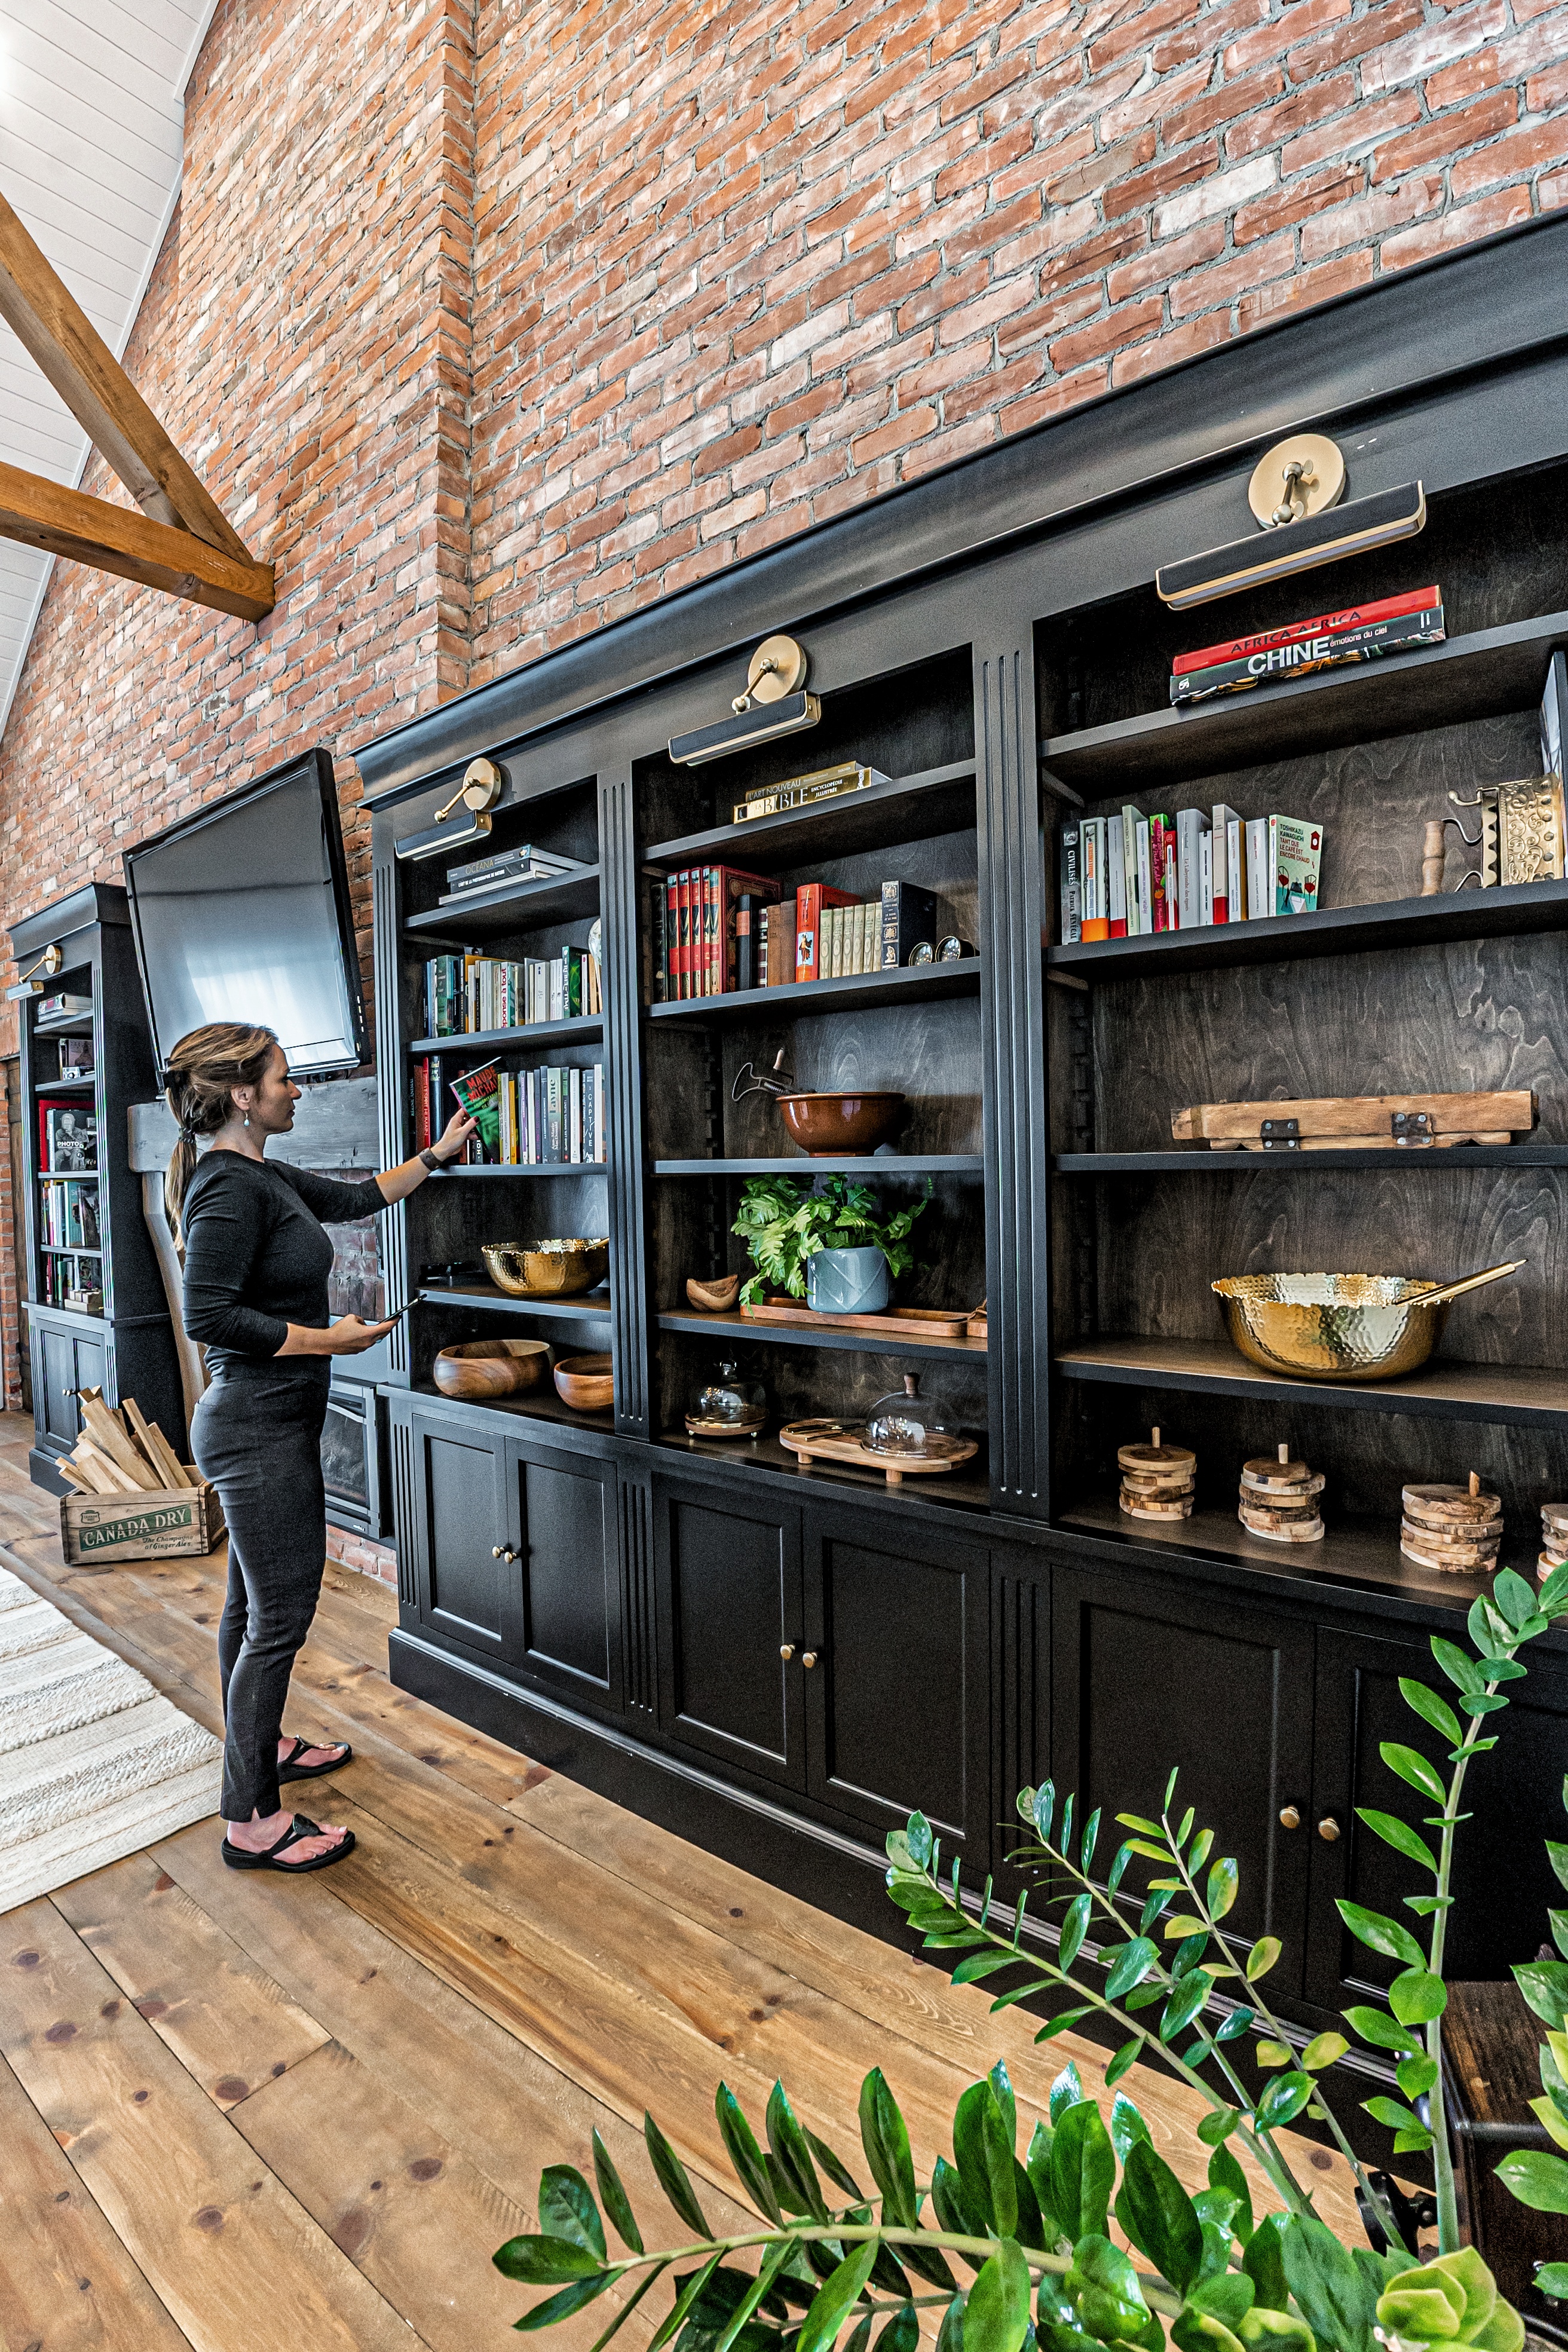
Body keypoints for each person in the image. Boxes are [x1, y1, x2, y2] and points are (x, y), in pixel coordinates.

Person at [164, 1021, 475, 1873]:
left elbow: (358, 1197)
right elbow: (207, 1316)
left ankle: (256, 1752)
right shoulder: (227, 1187)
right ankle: (252, 1821)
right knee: (281, 1618)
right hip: (255, 1426)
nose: (297, 1089)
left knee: (249, 1608)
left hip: (271, 1421)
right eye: (285, 1079)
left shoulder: (260, 1173)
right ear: (242, 1095)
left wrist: (438, 1153)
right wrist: (324, 1341)